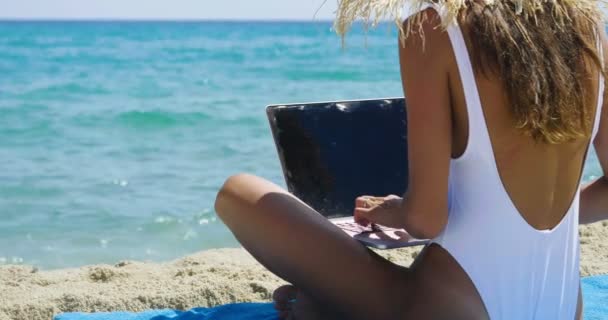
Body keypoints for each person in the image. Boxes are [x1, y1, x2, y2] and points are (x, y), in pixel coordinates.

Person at [214, 1, 608, 319]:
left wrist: (391, 211)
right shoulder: (590, 31)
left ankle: (329, 306)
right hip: (561, 306)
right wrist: (527, 215)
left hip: (457, 308)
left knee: (238, 193)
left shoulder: (434, 30)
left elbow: (425, 220)